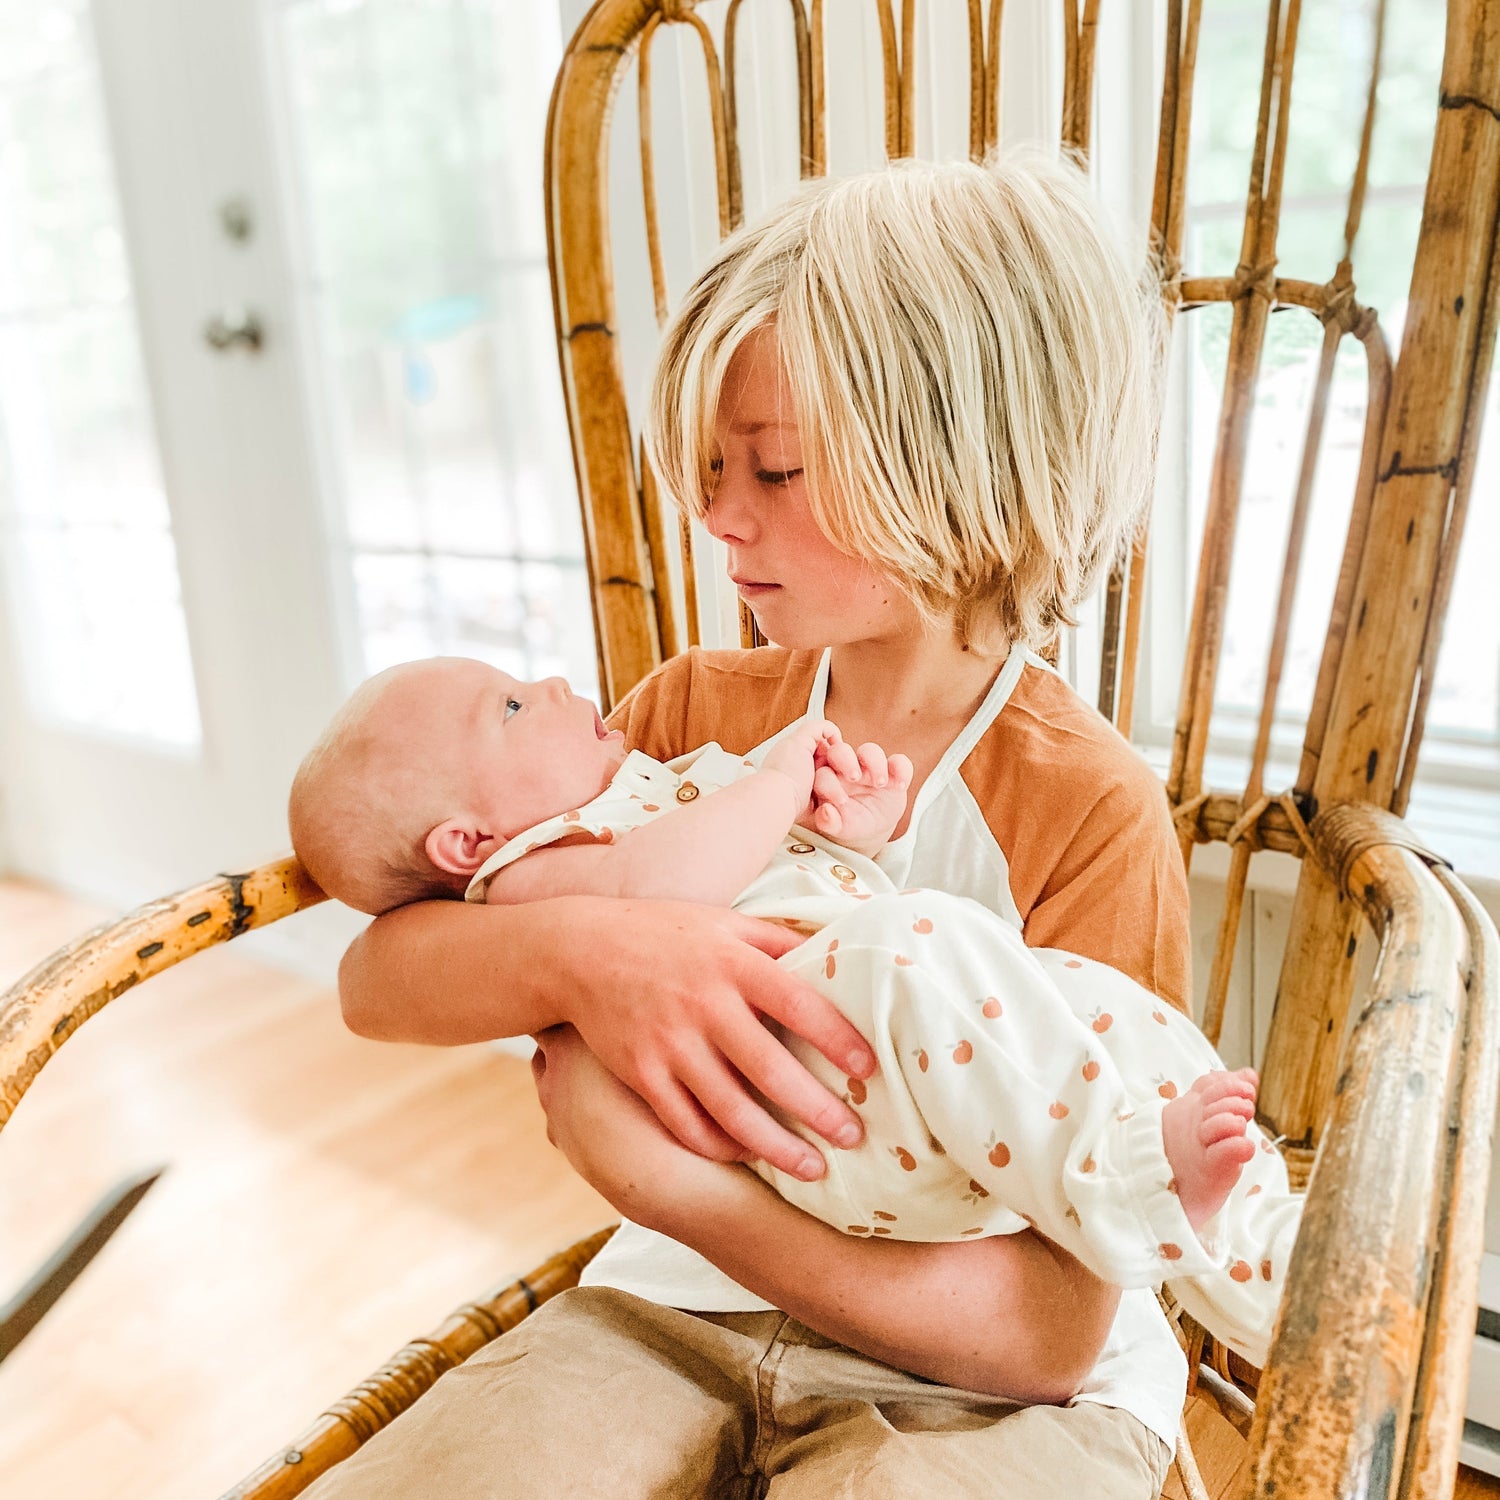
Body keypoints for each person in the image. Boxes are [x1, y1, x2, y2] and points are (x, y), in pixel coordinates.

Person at [303, 153, 1212, 1498]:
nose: (720, 518)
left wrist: (682, 1194)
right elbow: (378, 975)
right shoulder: (684, 721)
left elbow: (1048, 1331)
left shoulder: (1085, 811)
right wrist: (595, 961)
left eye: (776, 470)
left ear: (964, 468)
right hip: (673, 1310)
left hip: (975, 1381)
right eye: (715, 467)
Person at [290, 659, 1300, 1367]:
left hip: (948, 1171)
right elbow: (663, 888)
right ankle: (1126, 1187)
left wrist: (861, 847)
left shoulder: (1088, 795)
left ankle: (1260, 1259)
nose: (550, 684)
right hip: (832, 1126)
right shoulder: (546, 859)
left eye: (775, 468)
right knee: (923, 939)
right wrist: (773, 789)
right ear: (470, 844)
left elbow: (819, 910)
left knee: (1097, 1004)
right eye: (509, 710)